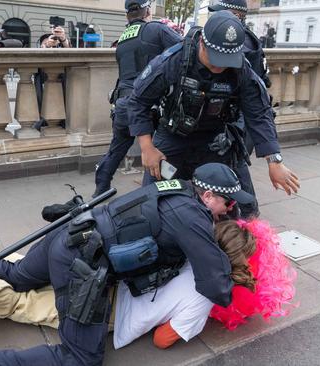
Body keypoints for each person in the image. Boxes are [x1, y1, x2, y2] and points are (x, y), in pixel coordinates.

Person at [0, 162, 258, 366]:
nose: (231, 212)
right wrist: (241, 273)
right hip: (82, 264)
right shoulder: (193, 216)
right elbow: (214, 285)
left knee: (13, 274)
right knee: (81, 358)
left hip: (71, 232)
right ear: (208, 195)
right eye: (227, 205)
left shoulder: (175, 186)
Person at [126, 10, 299, 219]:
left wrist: (275, 160)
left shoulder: (240, 68)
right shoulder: (172, 62)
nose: (220, 67)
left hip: (215, 137)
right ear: (202, 43)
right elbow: (137, 102)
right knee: (152, 200)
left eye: (226, 60)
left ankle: (237, 240)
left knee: (245, 205)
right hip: (173, 135)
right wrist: (146, 147)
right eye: (215, 59)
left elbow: (259, 112)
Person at [93, 0, 182, 197]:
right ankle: (158, 194)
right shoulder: (155, 29)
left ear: (127, 15)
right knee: (161, 151)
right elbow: (186, 49)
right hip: (147, 106)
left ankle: (101, 189)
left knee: (116, 149)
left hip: (122, 104)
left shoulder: (122, 39)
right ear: (148, 10)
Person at [208, 0, 272, 216]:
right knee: (231, 168)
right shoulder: (248, 39)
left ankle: (248, 218)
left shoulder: (237, 44)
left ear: (236, 15)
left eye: (219, 13)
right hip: (236, 117)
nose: (214, 19)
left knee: (233, 168)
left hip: (238, 120)